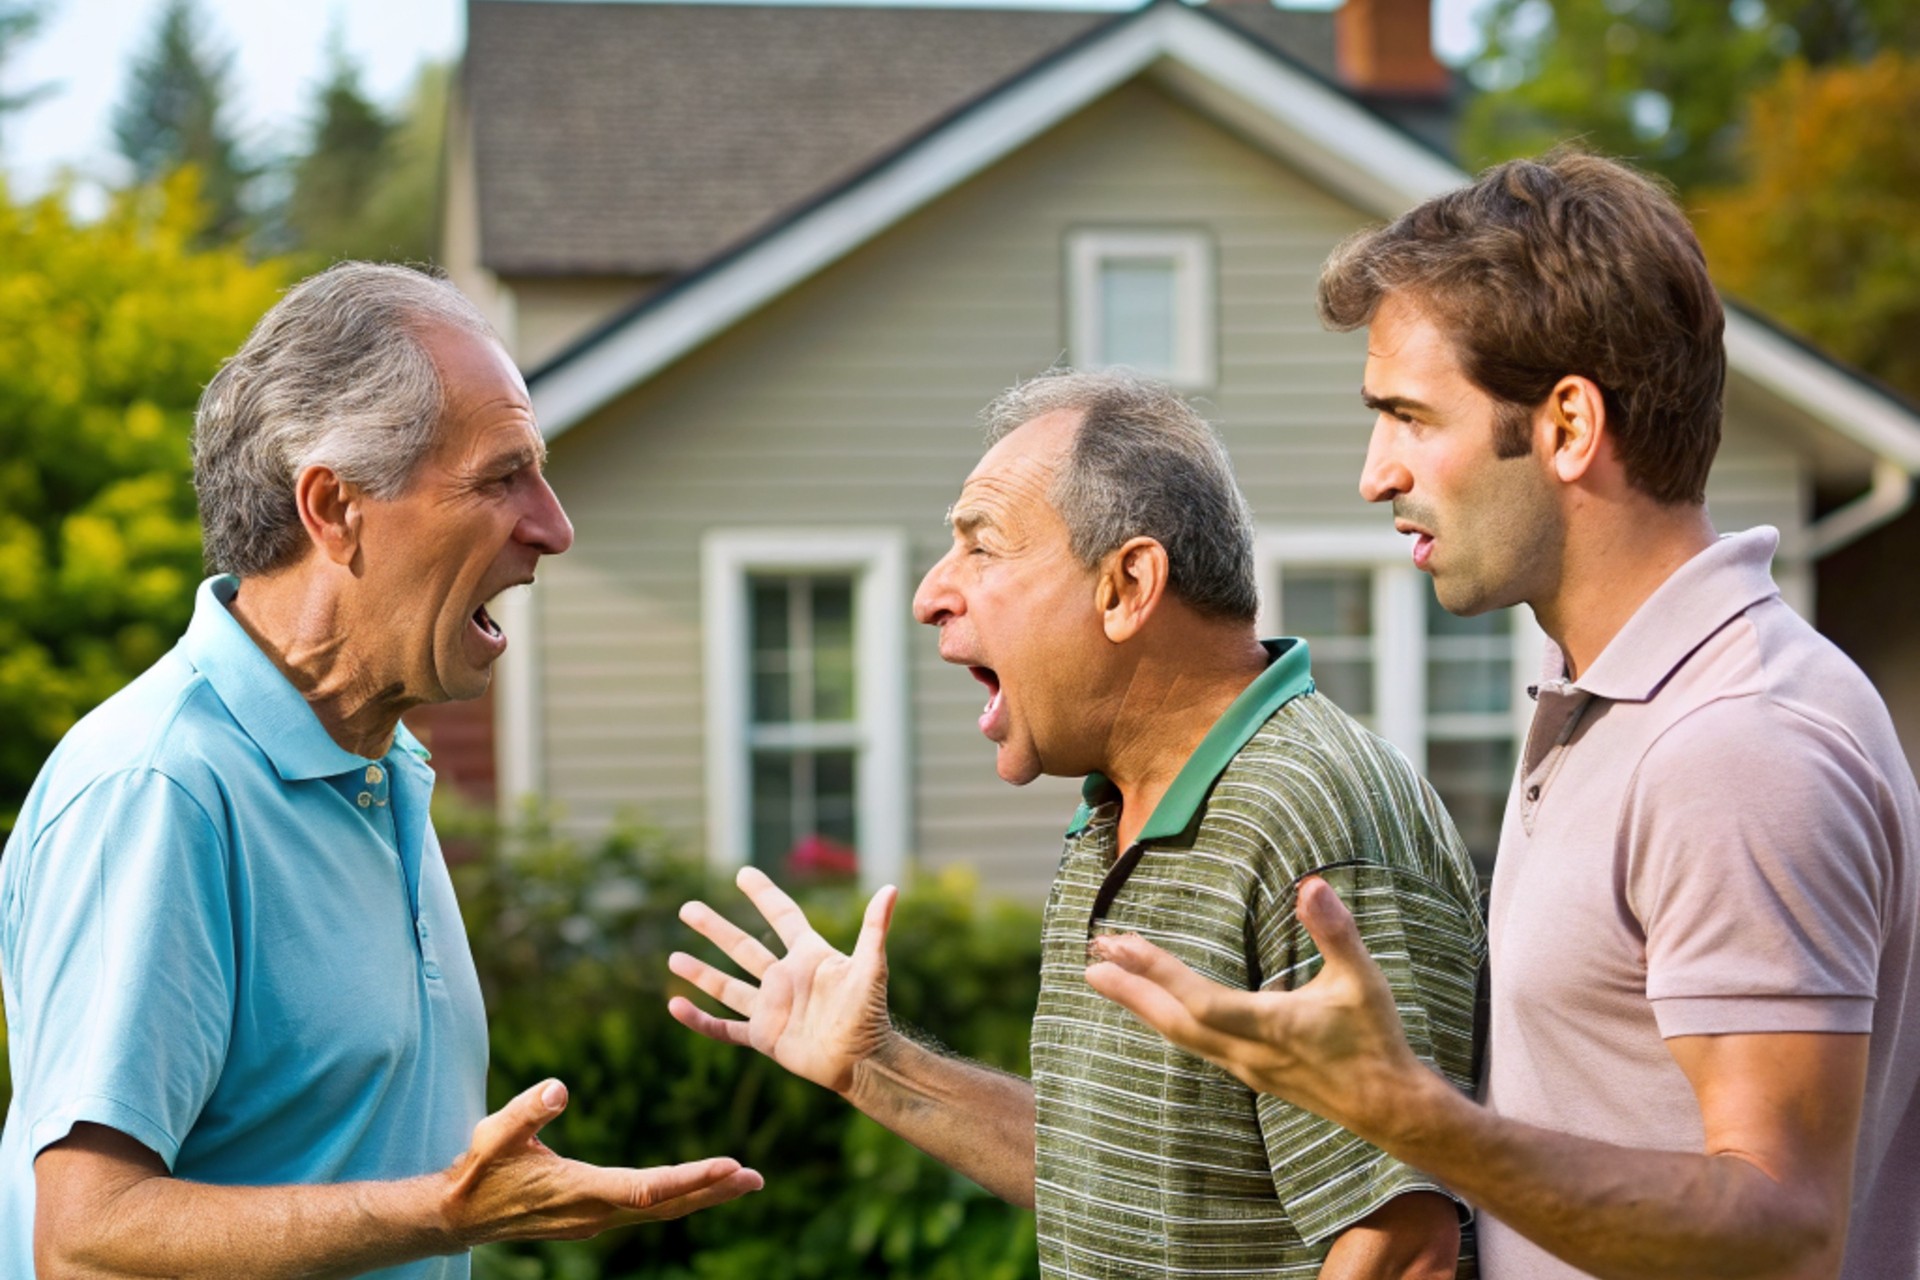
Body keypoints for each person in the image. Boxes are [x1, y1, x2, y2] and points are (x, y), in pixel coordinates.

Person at [1084, 152, 1920, 1280]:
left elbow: (1783, 1226)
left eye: (1411, 417)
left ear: (1568, 423)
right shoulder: (1611, 700)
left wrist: (1416, 1118)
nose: (1375, 473)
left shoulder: (1736, 739)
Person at [0, 262, 762, 1278]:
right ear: (334, 508)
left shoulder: (381, 767)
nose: (553, 526)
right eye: (501, 477)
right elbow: (87, 1239)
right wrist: (445, 1210)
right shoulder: (159, 788)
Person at [669, 369, 1488, 1278]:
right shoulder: (1110, 815)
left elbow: (1404, 1242)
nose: (931, 593)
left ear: (1127, 584)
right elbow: (1113, 1176)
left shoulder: (1311, 810)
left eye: (982, 550)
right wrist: (876, 1066)